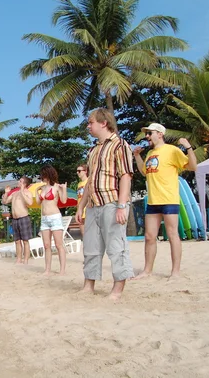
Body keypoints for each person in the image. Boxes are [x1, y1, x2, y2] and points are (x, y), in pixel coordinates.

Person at [76, 108, 134, 301]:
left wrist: (121, 205)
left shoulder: (120, 145)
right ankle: (88, 285)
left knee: (116, 247)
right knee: (91, 248)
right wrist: (81, 205)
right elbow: (91, 180)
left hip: (111, 202)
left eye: (91, 122)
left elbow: (125, 175)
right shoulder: (93, 150)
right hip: (93, 205)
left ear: (103, 123)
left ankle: (117, 289)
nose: (88, 126)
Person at [133, 123, 197, 280]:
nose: (147, 136)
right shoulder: (150, 154)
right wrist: (136, 156)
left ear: (160, 134)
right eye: (146, 134)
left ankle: (175, 272)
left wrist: (188, 148)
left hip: (169, 199)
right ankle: (147, 271)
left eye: (150, 133)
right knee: (149, 236)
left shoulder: (172, 150)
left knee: (172, 235)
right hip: (153, 201)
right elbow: (144, 172)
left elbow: (193, 166)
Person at [36, 166, 68, 275]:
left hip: (54, 217)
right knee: (46, 245)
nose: (42, 178)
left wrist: (64, 189)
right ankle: (47, 269)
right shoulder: (43, 188)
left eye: (43, 175)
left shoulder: (56, 187)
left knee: (59, 244)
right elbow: (38, 202)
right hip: (44, 218)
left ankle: (62, 269)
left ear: (48, 175)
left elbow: (63, 201)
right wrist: (36, 191)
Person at [1, 176, 33, 265]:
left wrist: (22, 191)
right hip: (15, 219)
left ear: (24, 184)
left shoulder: (28, 193)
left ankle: (26, 259)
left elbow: (30, 202)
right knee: (17, 241)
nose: (18, 182)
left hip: (24, 218)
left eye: (20, 181)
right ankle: (19, 259)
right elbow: (5, 201)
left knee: (25, 240)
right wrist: (6, 193)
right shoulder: (15, 193)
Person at [76, 164, 89, 238]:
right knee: (83, 234)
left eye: (79, 171)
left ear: (85, 171)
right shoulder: (79, 184)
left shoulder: (89, 181)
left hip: (88, 210)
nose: (77, 173)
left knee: (91, 233)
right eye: (77, 171)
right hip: (80, 211)